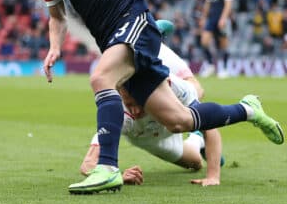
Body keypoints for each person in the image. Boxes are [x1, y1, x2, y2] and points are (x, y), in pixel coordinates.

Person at [25, 0, 283, 194]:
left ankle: (106, 168)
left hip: (135, 24)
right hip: (112, 40)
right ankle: (248, 110)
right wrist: (54, 46)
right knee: (178, 121)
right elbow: (56, 16)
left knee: (100, 78)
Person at [81, 39, 224, 187]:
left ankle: (154, 40)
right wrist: (119, 177)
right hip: (146, 137)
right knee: (195, 163)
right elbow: (88, 164)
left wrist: (213, 176)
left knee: (197, 91)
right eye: (129, 105)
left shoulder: (174, 87)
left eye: (138, 104)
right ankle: (197, 138)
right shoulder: (116, 112)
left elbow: (210, 124)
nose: (135, 111)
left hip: (171, 115)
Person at [199, 0, 232, 78]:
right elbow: (207, 3)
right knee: (204, 41)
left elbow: (228, 5)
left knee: (223, 44)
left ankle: (224, 68)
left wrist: (223, 18)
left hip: (221, 19)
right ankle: (210, 65)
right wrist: (203, 17)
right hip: (211, 18)